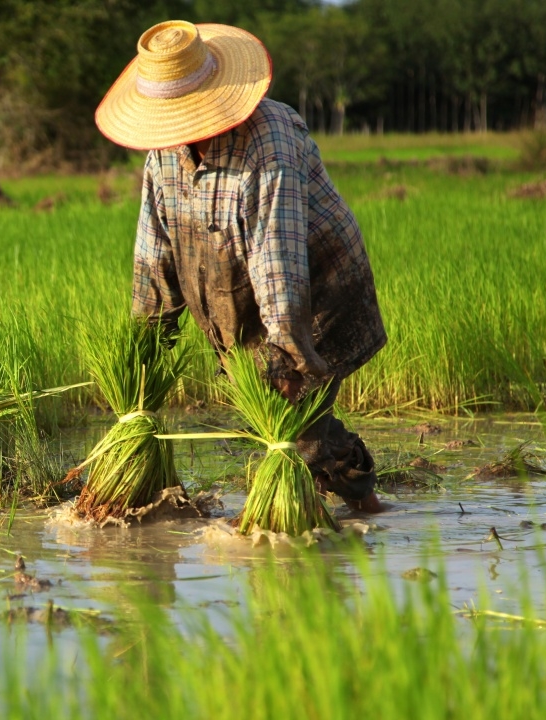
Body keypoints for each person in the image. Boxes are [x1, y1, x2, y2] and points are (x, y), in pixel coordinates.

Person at [95, 20, 386, 513]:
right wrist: (143, 354)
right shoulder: (163, 157)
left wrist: (287, 353)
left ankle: (362, 508)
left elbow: (280, 262)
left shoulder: (268, 141)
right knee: (276, 416)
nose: (178, 128)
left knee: (298, 425)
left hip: (316, 290)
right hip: (236, 297)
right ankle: (343, 492)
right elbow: (153, 255)